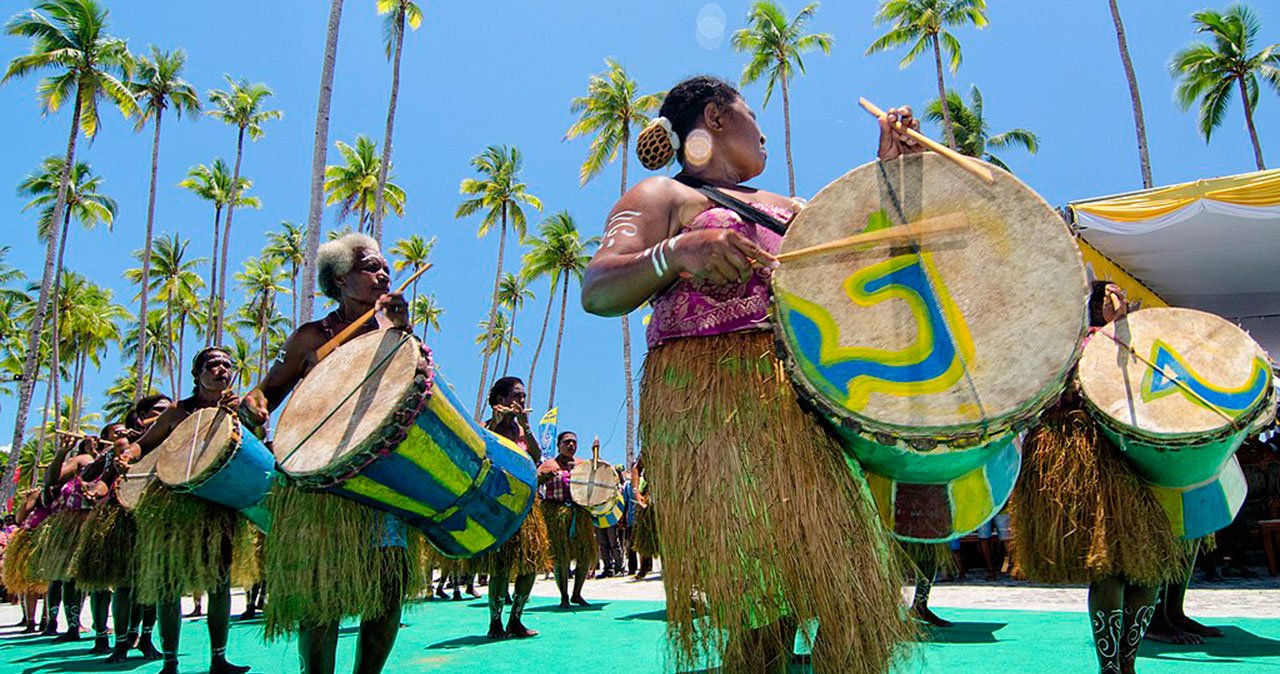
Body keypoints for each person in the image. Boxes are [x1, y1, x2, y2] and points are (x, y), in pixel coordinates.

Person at [580, 75, 915, 672]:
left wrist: (890, 176)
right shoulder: (663, 195)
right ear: (714, 115)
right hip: (713, 413)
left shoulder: (788, 208)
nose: (762, 132)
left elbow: (863, 265)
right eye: (750, 113)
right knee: (763, 622)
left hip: (803, 408)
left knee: (855, 604)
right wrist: (678, 253)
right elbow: (599, 288)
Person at [240, 232, 418, 674]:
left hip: (380, 479)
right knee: (321, 598)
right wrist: (254, 403)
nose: (383, 274)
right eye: (370, 267)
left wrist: (401, 332)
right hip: (321, 485)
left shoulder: (395, 332)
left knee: (386, 592)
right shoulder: (309, 338)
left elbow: (414, 393)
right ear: (340, 279)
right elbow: (267, 391)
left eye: (385, 269)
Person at [1009, 281, 1189, 674]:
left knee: (1149, 566)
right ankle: (1111, 668)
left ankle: (1127, 664)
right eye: (1110, 295)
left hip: (1134, 460)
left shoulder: (1131, 345)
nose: (1119, 300)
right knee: (1110, 564)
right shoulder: (1072, 344)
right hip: (1089, 460)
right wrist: (1110, 328)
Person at [123, 347, 249, 674]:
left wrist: (248, 420)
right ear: (197, 375)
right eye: (213, 365)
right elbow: (143, 444)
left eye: (227, 365)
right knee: (169, 583)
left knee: (219, 582)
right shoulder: (178, 412)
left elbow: (254, 446)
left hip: (217, 502)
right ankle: (170, 662)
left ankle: (219, 659)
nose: (221, 369)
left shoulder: (237, 410)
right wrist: (128, 454)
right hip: (175, 503)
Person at [479, 376, 549, 639]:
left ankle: (516, 619)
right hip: (500, 506)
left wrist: (526, 427)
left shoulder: (523, 429)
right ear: (501, 400)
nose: (522, 401)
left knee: (529, 564)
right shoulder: (485, 426)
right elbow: (485, 453)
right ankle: (495, 622)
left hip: (527, 507)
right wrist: (496, 427)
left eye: (523, 397)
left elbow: (536, 457)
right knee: (500, 566)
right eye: (517, 396)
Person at [537, 432, 597, 608]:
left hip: (579, 514)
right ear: (558, 445)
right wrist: (544, 476)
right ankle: (564, 596)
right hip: (556, 514)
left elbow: (596, 481)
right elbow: (534, 481)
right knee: (561, 558)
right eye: (567, 442)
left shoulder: (582, 464)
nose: (571, 445)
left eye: (574, 442)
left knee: (584, 555)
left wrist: (596, 458)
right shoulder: (548, 464)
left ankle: (576, 594)